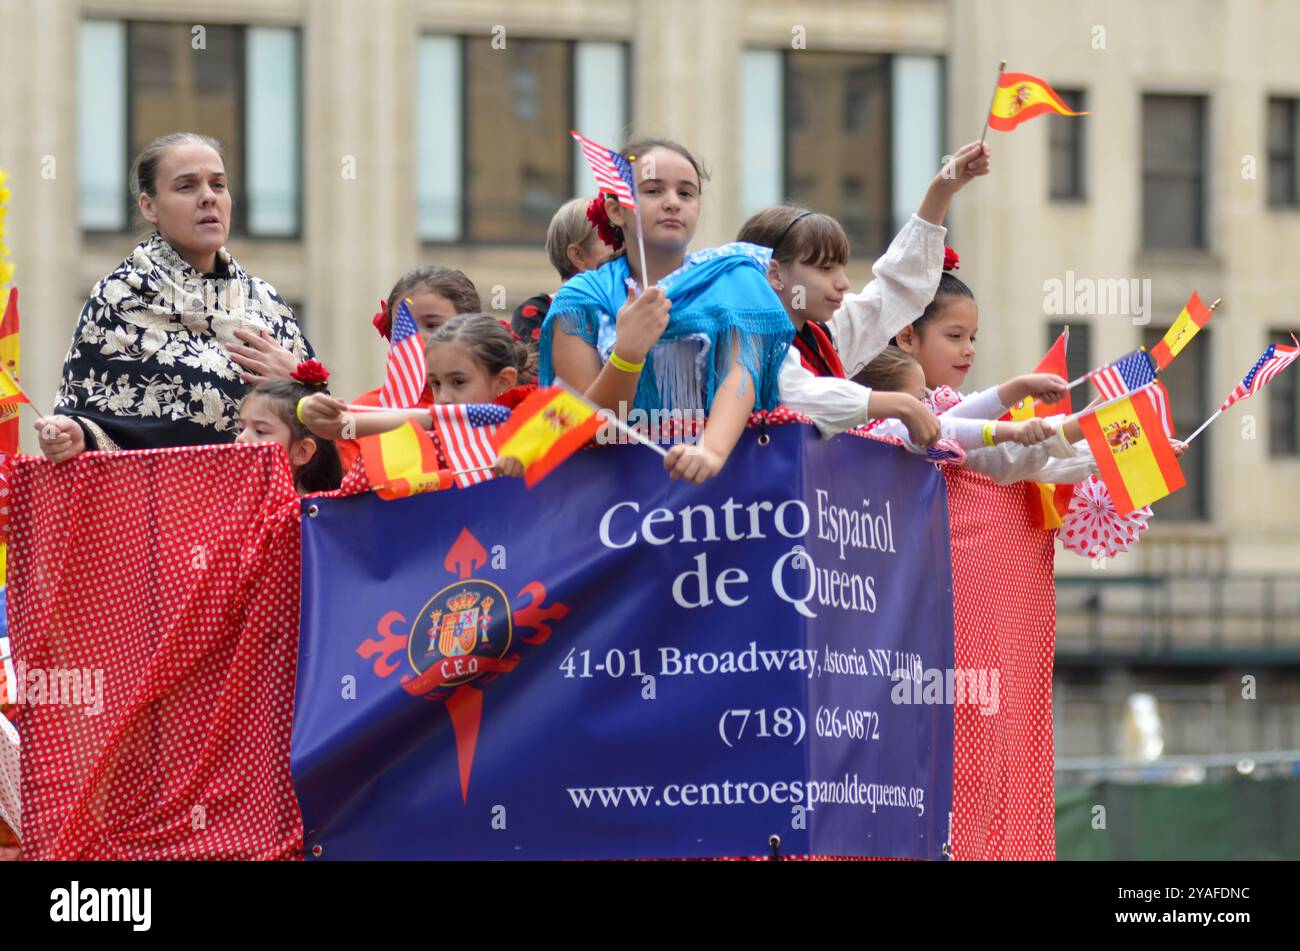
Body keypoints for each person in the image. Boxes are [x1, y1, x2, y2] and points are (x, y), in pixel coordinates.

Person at [36, 132, 313, 462]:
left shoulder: (267, 303)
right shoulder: (120, 299)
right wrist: (75, 436)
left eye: (218, 185)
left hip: (267, 510)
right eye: (187, 186)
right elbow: (89, 421)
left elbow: (325, 434)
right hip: (161, 509)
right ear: (148, 206)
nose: (208, 197)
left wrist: (298, 380)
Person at [541, 138, 793, 484]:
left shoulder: (734, 280)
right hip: (614, 502)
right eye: (654, 191)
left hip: (724, 498)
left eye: (686, 193)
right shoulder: (580, 299)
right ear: (616, 211)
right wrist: (628, 353)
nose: (673, 203)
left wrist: (710, 451)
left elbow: (741, 375)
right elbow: (586, 429)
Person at [738, 141, 991, 445]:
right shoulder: (745, 340)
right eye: (824, 269)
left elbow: (896, 289)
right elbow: (800, 394)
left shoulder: (823, 336)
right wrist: (901, 404)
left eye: (841, 268)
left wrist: (943, 188)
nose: (843, 283)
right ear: (775, 273)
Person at [300, 313, 535, 446]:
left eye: (458, 382)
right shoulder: (437, 420)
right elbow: (340, 427)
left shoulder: (541, 420)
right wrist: (307, 407)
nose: (442, 398)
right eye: (436, 383)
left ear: (504, 381)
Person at [335, 266, 483, 471]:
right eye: (402, 328)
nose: (415, 337)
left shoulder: (492, 402)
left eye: (432, 325)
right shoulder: (364, 411)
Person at [853, 345, 1067, 454]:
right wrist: (1013, 431)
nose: (927, 405)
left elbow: (953, 418)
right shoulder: (882, 430)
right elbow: (947, 426)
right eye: (919, 398)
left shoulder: (894, 429)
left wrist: (1021, 387)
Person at [511, 197, 612, 346]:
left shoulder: (630, 305)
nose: (623, 249)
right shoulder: (537, 314)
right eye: (611, 239)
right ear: (577, 256)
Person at [234, 361, 343, 495]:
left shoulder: (317, 514)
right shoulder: (232, 504)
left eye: (260, 431)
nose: (240, 438)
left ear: (302, 452)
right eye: (240, 429)